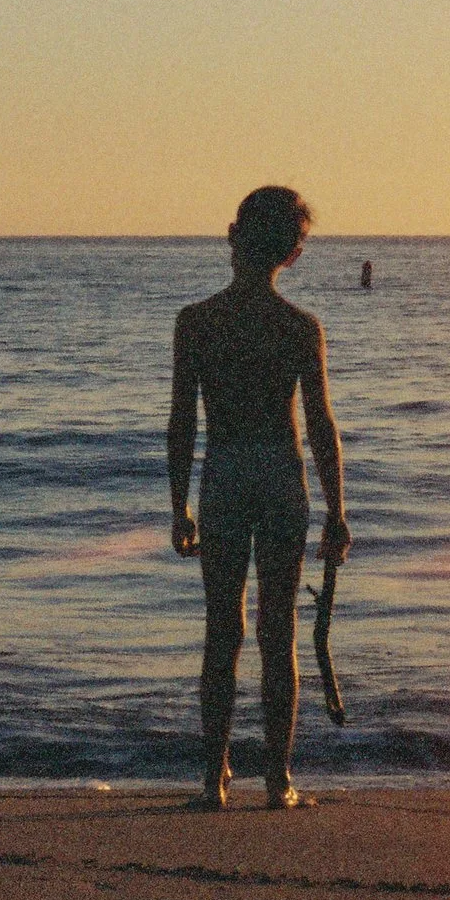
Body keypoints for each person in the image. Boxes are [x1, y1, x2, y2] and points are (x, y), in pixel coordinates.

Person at [168, 186, 350, 811]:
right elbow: (321, 424)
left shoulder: (197, 322)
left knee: (222, 630)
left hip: (224, 475)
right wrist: (337, 510)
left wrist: (178, 504)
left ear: (232, 235)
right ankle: (278, 779)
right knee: (280, 632)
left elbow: (181, 423)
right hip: (279, 476)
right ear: (292, 255)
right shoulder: (299, 327)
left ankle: (213, 779)